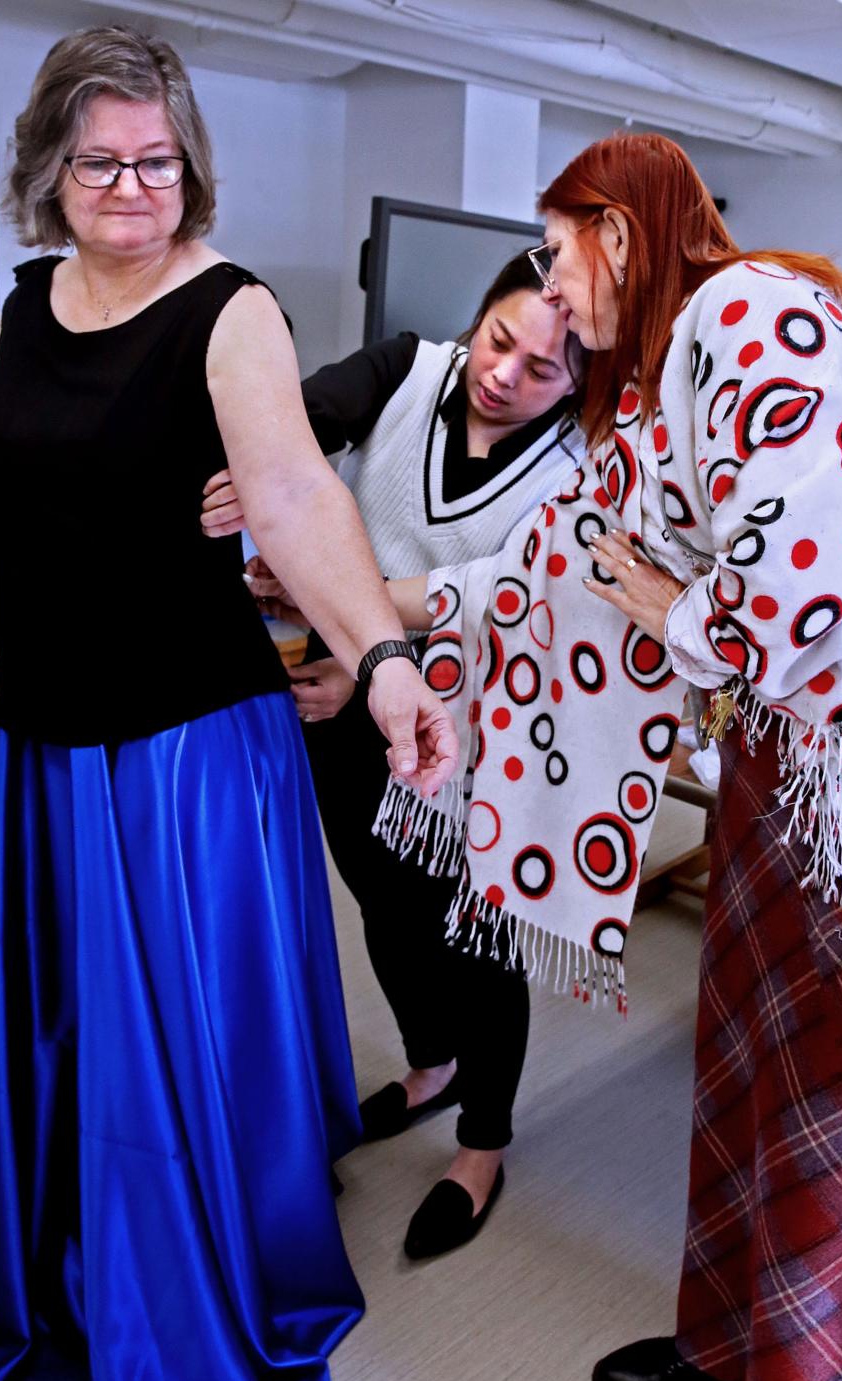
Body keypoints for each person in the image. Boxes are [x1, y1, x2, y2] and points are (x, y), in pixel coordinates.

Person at [368, 133, 842, 1381]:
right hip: (783, 758)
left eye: (558, 252)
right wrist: (384, 623)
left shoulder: (757, 315)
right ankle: (746, 1335)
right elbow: (557, 562)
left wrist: (669, 615)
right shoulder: (649, 395)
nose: (549, 291)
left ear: (618, 231)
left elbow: (792, 600)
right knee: (753, 1070)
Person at [0, 26, 454, 1381]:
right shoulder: (34, 301)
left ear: (190, 163)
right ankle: (73, 1226)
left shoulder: (227, 308)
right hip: (47, 740)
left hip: (183, 747)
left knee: (161, 1038)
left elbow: (296, 497)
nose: (130, 186)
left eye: (156, 160)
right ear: (53, 167)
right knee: (66, 1022)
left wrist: (379, 657)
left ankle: (182, 1264)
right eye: (101, 160)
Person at [199, 254, 587, 1258]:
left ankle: (484, 1142)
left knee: (478, 933)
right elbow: (303, 420)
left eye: (544, 368)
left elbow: (513, 604)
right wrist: (250, 472)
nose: (506, 373)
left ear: (582, 381)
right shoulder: (409, 368)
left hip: (483, 736)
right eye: (500, 339)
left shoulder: (578, 473)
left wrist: (363, 651)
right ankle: (432, 1061)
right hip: (345, 713)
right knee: (385, 900)